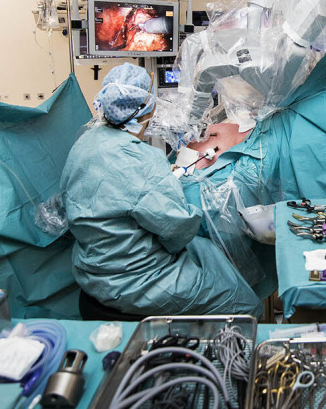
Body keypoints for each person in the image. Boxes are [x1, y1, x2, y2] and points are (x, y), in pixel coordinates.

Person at [60, 62, 261, 316]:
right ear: (150, 107)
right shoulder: (142, 160)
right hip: (135, 281)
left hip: (91, 270)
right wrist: (172, 188)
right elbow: (178, 230)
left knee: (208, 255)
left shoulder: (85, 141)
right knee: (241, 301)